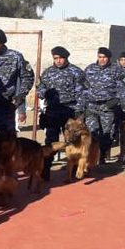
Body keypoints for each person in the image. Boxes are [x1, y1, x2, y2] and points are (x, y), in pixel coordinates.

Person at [36, 46, 85, 180]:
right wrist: (42, 93)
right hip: (52, 111)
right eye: (55, 58)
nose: (58, 61)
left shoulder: (76, 72)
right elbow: (41, 88)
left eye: (61, 58)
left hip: (69, 111)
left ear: (66, 58)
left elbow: (82, 93)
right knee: (51, 141)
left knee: (73, 140)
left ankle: (74, 168)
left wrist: (79, 112)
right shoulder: (48, 72)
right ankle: (45, 168)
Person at [80, 47, 125, 163]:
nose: (102, 60)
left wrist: (116, 101)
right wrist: (82, 105)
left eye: (104, 57)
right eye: (100, 57)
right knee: (92, 131)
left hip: (108, 106)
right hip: (92, 106)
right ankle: (93, 156)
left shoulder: (116, 70)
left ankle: (102, 155)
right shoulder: (90, 69)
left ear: (109, 58)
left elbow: (123, 89)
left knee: (107, 134)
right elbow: (83, 87)